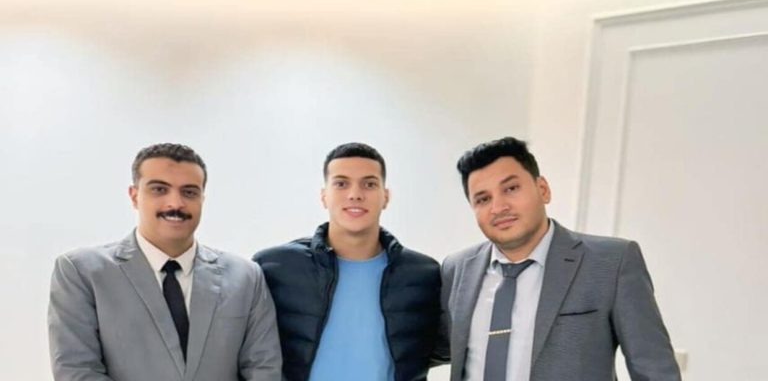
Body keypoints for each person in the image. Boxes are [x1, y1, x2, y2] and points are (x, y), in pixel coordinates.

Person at [441, 136, 680, 381]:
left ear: (543, 190)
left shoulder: (612, 262)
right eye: (483, 199)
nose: (498, 207)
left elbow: (655, 370)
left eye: (511, 188)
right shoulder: (456, 270)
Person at [48, 143, 281, 381]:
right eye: (159, 189)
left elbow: (263, 369)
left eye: (189, 192)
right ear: (134, 196)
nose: (175, 204)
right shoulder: (82, 272)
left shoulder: (246, 277)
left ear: (202, 198)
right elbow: (77, 371)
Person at [253, 142, 443, 381]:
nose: (355, 194)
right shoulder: (274, 267)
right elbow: (251, 353)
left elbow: (439, 347)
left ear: (385, 197)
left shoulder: (424, 274)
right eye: (341, 184)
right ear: (324, 196)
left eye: (369, 184)